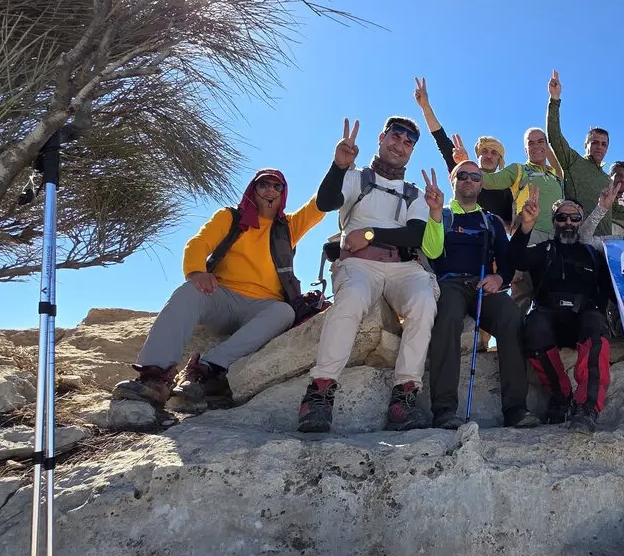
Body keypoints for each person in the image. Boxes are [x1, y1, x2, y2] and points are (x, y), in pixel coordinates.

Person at [113, 169, 323, 411]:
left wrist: (340, 167)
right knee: (188, 291)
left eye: (278, 187)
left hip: (262, 306)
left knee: (284, 312)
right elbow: (199, 243)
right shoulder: (230, 218)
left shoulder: (289, 227)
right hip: (222, 297)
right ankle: (154, 378)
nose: (271, 191)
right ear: (252, 190)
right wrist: (196, 271)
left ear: (283, 194)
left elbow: (319, 205)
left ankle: (206, 370)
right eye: (264, 184)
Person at [296, 117, 444, 433]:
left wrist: (369, 234)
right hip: (359, 264)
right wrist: (338, 166)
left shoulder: (415, 194)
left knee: (423, 301)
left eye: (408, 142)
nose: (400, 145)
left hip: (403, 267)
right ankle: (320, 393)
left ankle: (404, 397)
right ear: (381, 137)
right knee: (350, 300)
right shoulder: (355, 178)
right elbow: (325, 202)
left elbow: (416, 236)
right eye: (396, 136)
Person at [424, 159, 540, 430]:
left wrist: (500, 277)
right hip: (448, 284)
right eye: (462, 175)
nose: (469, 180)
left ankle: (516, 408)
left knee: (511, 315)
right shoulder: (440, 212)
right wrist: (434, 215)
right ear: (453, 179)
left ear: (481, 184)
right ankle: (443, 409)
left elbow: (508, 257)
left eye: (475, 177)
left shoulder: (491, 222)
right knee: (448, 316)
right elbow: (430, 252)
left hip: (482, 286)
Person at [509, 186, 614, 434]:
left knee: (596, 325)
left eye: (574, 218)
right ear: (554, 221)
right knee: (534, 326)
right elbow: (515, 259)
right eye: (561, 217)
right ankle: (561, 394)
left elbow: (611, 288)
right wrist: (525, 227)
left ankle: (587, 407)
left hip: (584, 317)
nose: (568, 222)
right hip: (549, 316)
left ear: (581, 222)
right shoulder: (544, 249)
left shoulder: (593, 254)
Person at [415, 76, 516, 226]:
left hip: (490, 245)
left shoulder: (506, 189)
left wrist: (498, 225)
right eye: (484, 151)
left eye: (494, 153)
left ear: (500, 160)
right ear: (478, 155)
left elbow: (513, 226)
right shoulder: (462, 171)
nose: (488, 155)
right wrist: (425, 107)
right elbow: (441, 139)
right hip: (455, 235)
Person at [545, 68, 624, 230]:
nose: (599, 147)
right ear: (586, 145)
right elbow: (554, 136)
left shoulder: (607, 179)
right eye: (595, 142)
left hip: (605, 246)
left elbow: (613, 210)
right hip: (579, 241)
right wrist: (555, 99)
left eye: (603, 144)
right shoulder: (573, 161)